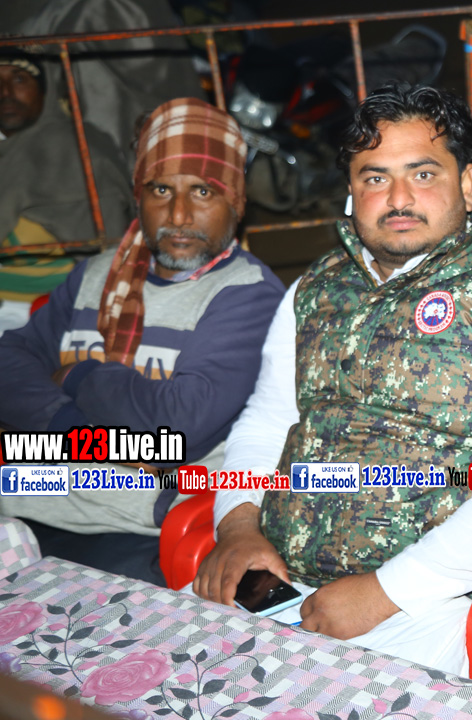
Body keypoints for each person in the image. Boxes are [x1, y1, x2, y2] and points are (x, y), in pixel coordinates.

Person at [192, 83, 472, 682]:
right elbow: (268, 417)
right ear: (352, 191)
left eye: (423, 174)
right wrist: (238, 526)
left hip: (428, 607)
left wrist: (385, 592)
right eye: (375, 178)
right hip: (274, 581)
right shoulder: (316, 288)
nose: (399, 198)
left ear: (468, 183)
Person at [0, 97, 285, 585]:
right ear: (138, 195)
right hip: (26, 499)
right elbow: (9, 362)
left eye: (202, 191)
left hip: (137, 531)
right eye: (161, 189)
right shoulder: (95, 275)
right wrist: (75, 430)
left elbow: (180, 426)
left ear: (236, 202)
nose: (178, 214)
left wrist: (78, 375)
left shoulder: (247, 296)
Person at [0, 47, 133, 333]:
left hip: (53, 313)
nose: (6, 92)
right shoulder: (6, 149)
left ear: (45, 90)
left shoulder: (78, 149)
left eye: (20, 79)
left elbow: (108, 254)